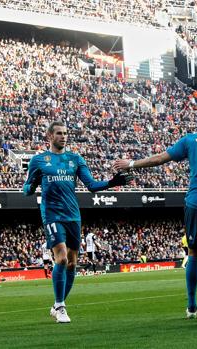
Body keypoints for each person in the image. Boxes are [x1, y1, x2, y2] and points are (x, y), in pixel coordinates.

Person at [114, 109, 197, 319]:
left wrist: (132, 164)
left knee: (194, 253)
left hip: (196, 203)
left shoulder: (190, 140)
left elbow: (160, 158)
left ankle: (192, 305)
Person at [23, 120, 132, 324]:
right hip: (52, 214)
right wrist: (34, 183)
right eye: (59, 133)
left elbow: (91, 185)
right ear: (49, 136)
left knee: (72, 263)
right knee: (62, 259)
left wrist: (113, 183)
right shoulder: (38, 161)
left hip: (73, 215)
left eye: (65, 133)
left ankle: (58, 304)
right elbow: (26, 189)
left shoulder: (75, 159)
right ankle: (61, 306)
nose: (63, 136)